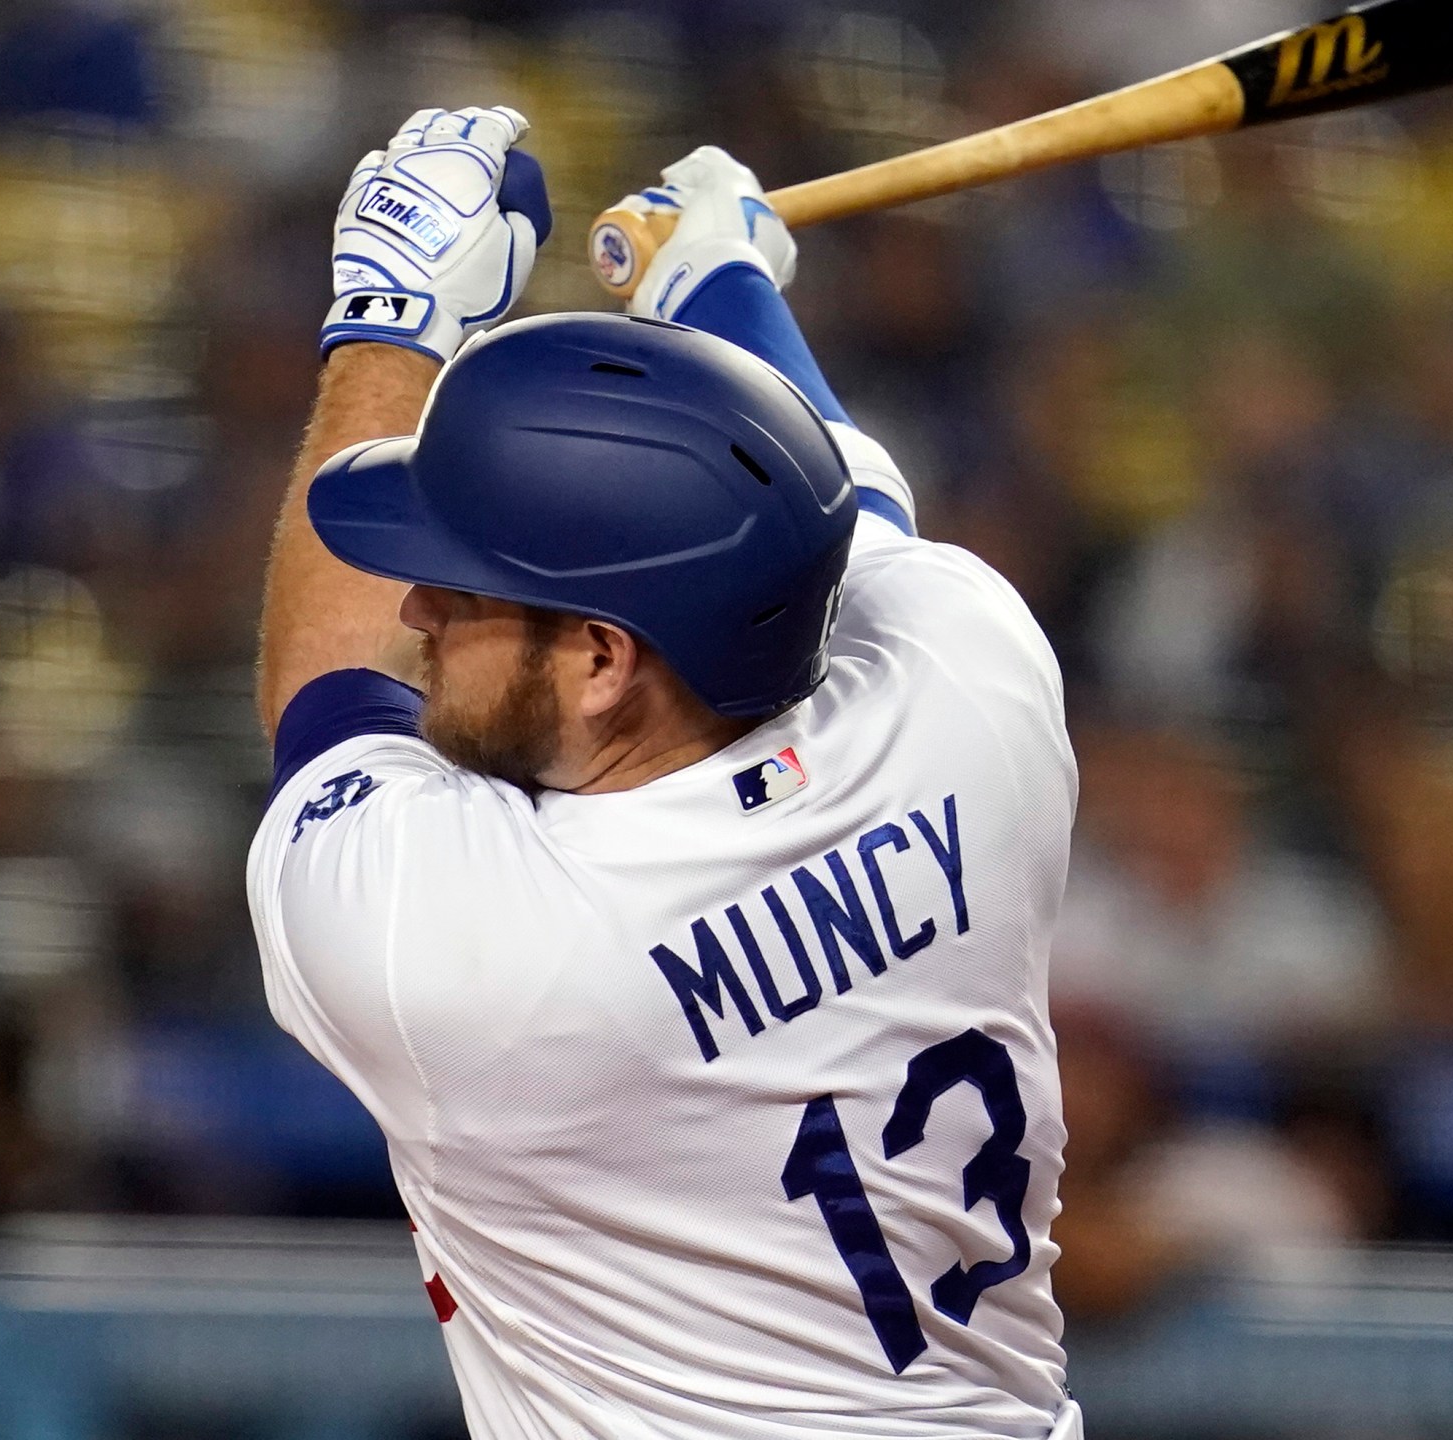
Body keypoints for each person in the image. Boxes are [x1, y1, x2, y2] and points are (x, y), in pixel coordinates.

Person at [245, 108, 1081, 1440]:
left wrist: (392, 318)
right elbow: (827, 504)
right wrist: (717, 280)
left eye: (467, 589)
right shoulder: (971, 687)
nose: (416, 615)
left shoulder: (483, 957)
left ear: (598, 660)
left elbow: (322, 696)